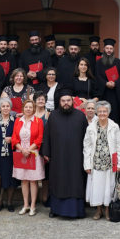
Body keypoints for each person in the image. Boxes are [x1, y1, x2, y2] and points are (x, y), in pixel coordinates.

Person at [42, 89, 89, 218]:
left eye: (68, 100)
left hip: (76, 157)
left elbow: (87, 138)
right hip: (58, 157)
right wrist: (46, 151)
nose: (66, 103)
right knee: (58, 181)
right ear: (59, 102)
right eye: (63, 101)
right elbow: (47, 135)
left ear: (72, 101)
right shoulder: (53, 116)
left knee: (76, 182)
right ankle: (56, 209)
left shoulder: (80, 116)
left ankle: (77, 210)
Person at [83, 101, 120, 220]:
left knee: (109, 187)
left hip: (110, 162)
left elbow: (119, 145)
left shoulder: (114, 126)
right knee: (97, 187)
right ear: (96, 112)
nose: (102, 113)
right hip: (95, 162)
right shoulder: (91, 127)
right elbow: (87, 146)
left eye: (104, 111)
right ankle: (98, 210)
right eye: (100, 111)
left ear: (108, 112)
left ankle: (107, 211)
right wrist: (86, 164)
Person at [10, 99, 44, 215]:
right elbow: (14, 137)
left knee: (33, 181)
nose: (28, 109)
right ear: (23, 108)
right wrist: (22, 149)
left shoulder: (38, 121)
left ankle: (33, 206)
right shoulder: (18, 121)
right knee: (24, 180)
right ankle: (25, 205)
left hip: (33, 153)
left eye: (30, 107)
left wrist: (29, 149)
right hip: (21, 152)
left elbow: (39, 138)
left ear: (33, 109)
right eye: (26, 107)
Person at [0, 98, 18, 212]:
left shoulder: (16, 121)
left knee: (11, 179)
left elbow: (20, 136)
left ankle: (10, 202)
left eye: (7, 106)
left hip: (12, 155)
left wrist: (12, 139)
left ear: (10, 108)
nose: (5, 108)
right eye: (3, 106)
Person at [95, 39, 120, 123]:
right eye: (107, 48)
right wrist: (106, 83)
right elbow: (97, 76)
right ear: (104, 49)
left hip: (115, 94)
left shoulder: (118, 62)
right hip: (103, 93)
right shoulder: (98, 63)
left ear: (113, 50)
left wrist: (115, 83)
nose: (109, 50)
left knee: (115, 116)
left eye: (111, 48)